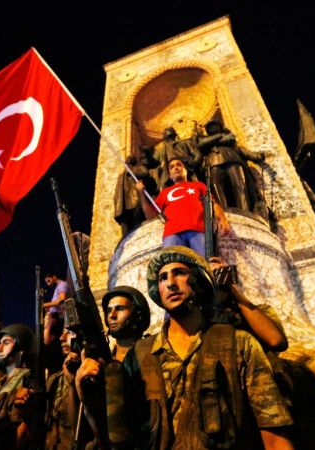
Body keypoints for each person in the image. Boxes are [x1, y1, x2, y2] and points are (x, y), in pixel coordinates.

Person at [77, 246, 294, 450]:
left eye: (180, 273)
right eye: (162, 278)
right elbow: (118, 434)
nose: (170, 283)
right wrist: (87, 396)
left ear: (199, 282)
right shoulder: (141, 353)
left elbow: (274, 434)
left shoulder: (238, 344)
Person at [136, 158, 230, 256]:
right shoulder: (165, 192)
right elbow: (150, 214)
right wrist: (141, 193)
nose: (176, 168)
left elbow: (213, 204)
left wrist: (222, 219)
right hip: (172, 234)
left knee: (205, 263)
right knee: (172, 263)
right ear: (170, 175)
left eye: (179, 165)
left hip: (198, 230)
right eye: (172, 167)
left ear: (185, 170)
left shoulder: (199, 185)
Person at [15, 327, 81, 450]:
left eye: (70, 332)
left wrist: (72, 385)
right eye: (62, 332)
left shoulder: (90, 376)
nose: (62, 338)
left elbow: (79, 430)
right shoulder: (54, 379)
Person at [197, 120, 267, 215]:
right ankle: (224, 212)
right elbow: (201, 144)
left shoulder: (230, 140)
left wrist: (258, 157)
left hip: (233, 160)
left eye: (214, 126)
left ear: (220, 127)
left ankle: (245, 211)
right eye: (209, 127)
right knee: (216, 187)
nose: (212, 128)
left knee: (239, 186)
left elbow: (231, 139)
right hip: (213, 163)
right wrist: (220, 136)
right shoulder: (206, 139)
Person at [102, 285, 151, 362]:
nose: (112, 315)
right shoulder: (104, 363)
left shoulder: (155, 355)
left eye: (120, 309)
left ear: (138, 315)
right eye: (109, 311)